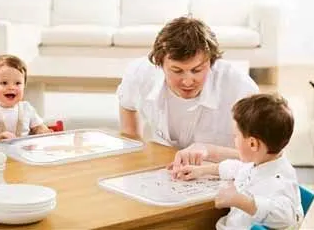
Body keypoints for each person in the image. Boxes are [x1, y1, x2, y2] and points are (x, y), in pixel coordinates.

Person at [116, 16, 259, 168]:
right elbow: (127, 107)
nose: (188, 81)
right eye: (177, 71)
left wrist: (208, 150)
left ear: (211, 61)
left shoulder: (240, 87)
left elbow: (263, 157)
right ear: (160, 63)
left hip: (221, 170)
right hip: (165, 167)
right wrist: (135, 157)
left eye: (197, 70)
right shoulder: (139, 74)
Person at [172, 93, 303, 230]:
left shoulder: (279, 182)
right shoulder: (264, 161)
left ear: (253, 144)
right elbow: (238, 168)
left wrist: (242, 201)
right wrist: (201, 170)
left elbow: (286, 217)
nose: (234, 140)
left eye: (236, 136)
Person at [0, 54, 51, 142]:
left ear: (24, 85)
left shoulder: (27, 108)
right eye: (4, 83)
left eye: (17, 83)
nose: (11, 87)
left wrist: (44, 131)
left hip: (23, 153)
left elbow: (38, 127)